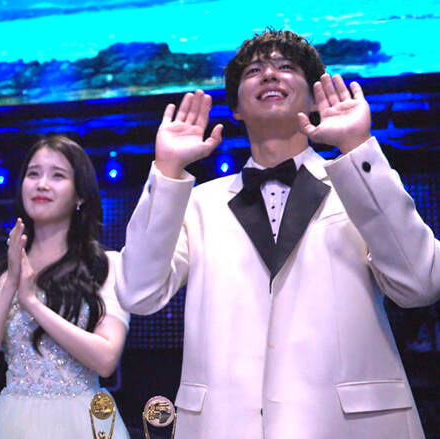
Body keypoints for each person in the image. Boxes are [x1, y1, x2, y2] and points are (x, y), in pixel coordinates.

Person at [116, 29, 439, 439]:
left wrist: (357, 148)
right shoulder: (197, 203)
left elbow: (421, 283)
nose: (270, 74)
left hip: (347, 425)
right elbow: (138, 293)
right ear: (236, 107)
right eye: (255, 71)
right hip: (225, 425)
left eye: (286, 67)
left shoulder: (360, 183)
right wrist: (166, 171)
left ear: (314, 98)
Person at [0, 136, 131, 438]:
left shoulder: (105, 266)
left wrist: (32, 303)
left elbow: (106, 360)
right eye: (33, 174)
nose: (42, 184)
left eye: (57, 176)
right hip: (13, 421)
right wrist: (10, 285)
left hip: (82, 420)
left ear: (80, 195)